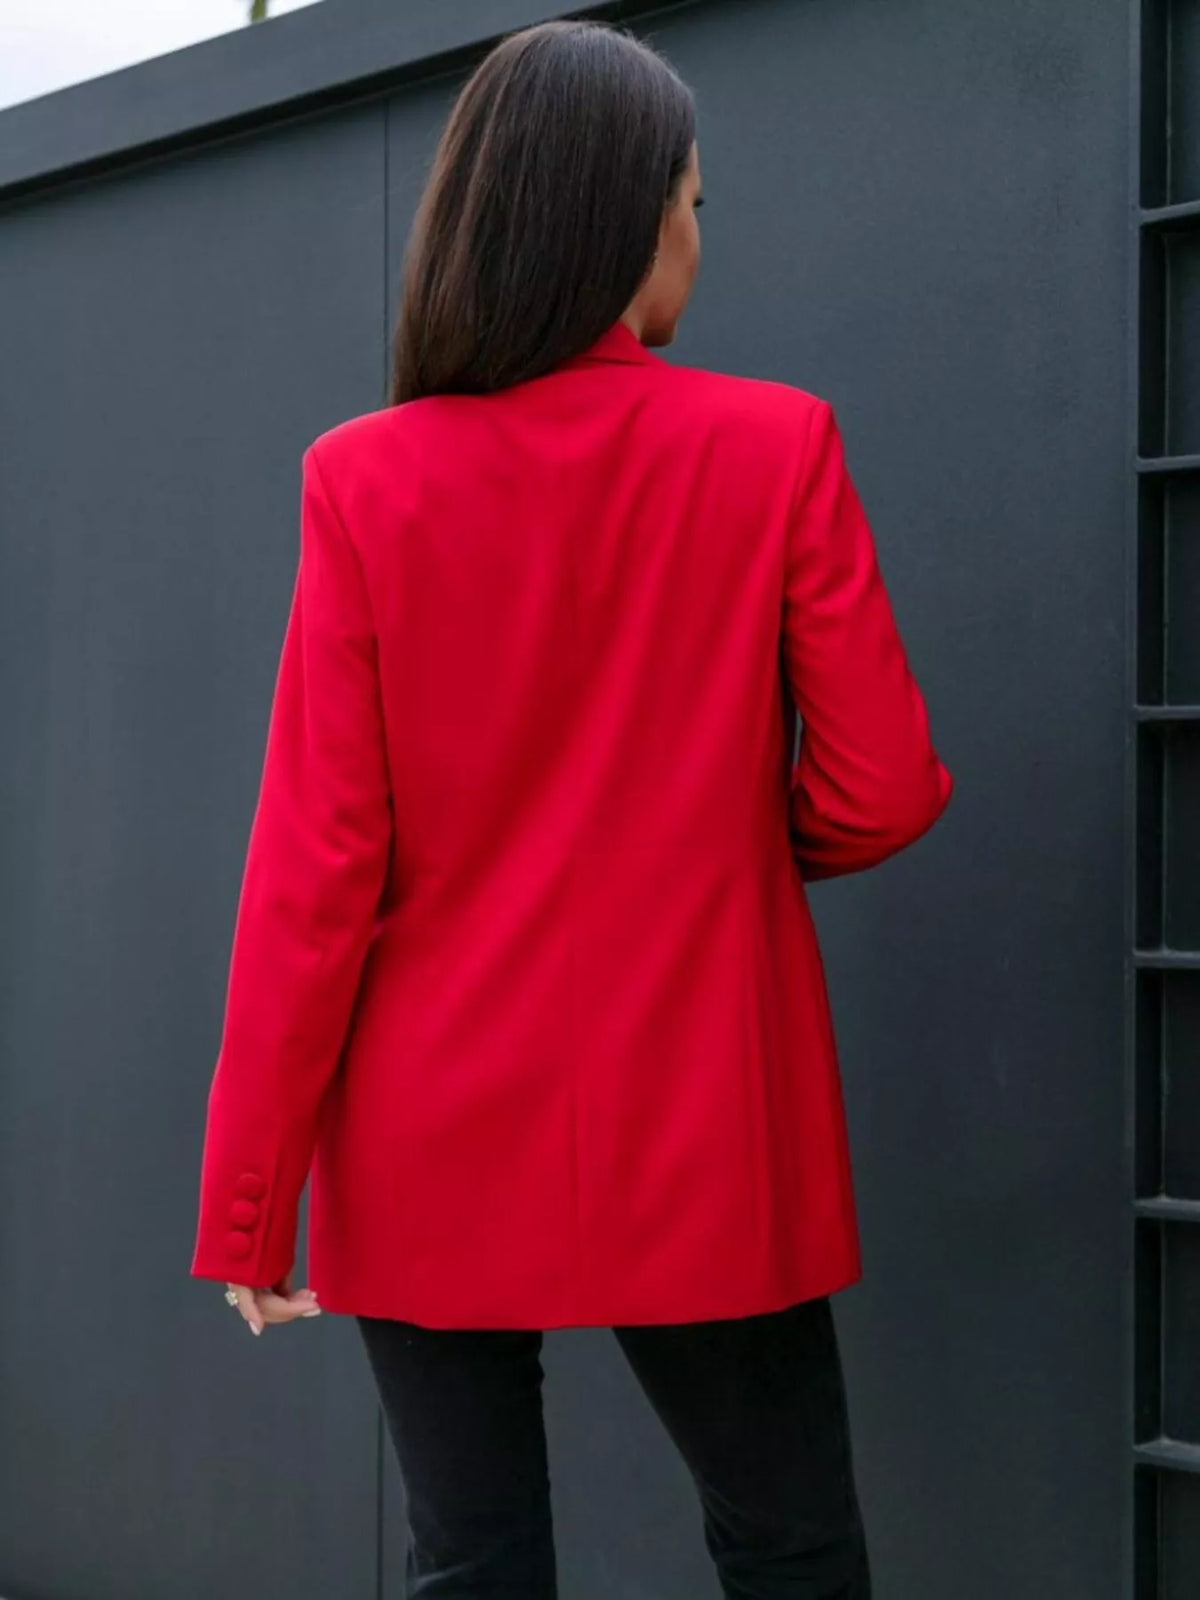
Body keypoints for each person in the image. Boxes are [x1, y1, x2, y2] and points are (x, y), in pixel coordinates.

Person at [189, 17, 953, 1598]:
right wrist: (733, 852)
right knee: (792, 1545)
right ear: (623, 221)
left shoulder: (364, 480)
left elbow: (314, 874)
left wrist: (253, 1207)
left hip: (425, 1124)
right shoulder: (775, 446)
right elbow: (879, 787)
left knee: (472, 1563)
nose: (695, 232)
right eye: (691, 199)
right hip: (706, 1117)